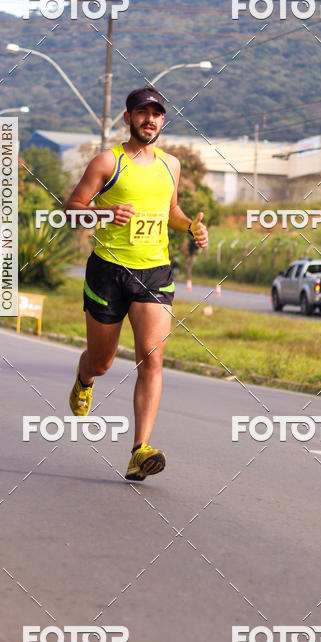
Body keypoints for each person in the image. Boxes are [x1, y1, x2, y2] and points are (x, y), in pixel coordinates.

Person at [65, 86, 208, 481]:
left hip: (154, 272)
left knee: (152, 356)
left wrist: (191, 226)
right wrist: (105, 213)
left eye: (157, 114)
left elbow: (171, 210)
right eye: (142, 113)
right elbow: (73, 210)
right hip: (108, 271)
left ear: (163, 120)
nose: (150, 120)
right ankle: (85, 376)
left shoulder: (171, 165)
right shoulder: (107, 162)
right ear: (127, 118)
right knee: (103, 361)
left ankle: (138, 450)